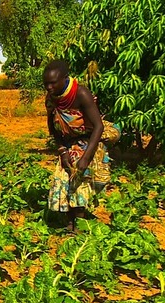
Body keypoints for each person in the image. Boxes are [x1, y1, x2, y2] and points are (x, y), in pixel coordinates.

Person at [43, 59, 121, 230]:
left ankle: (79, 220)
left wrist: (86, 157)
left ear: (64, 78)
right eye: (46, 83)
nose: (49, 87)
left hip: (90, 138)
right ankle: (69, 221)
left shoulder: (81, 94)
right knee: (63, 178)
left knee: (82, 177)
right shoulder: (52, 99)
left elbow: (98, 126)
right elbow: (54, 128)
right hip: (69, 142)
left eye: (53, 83)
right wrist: (63, 151)